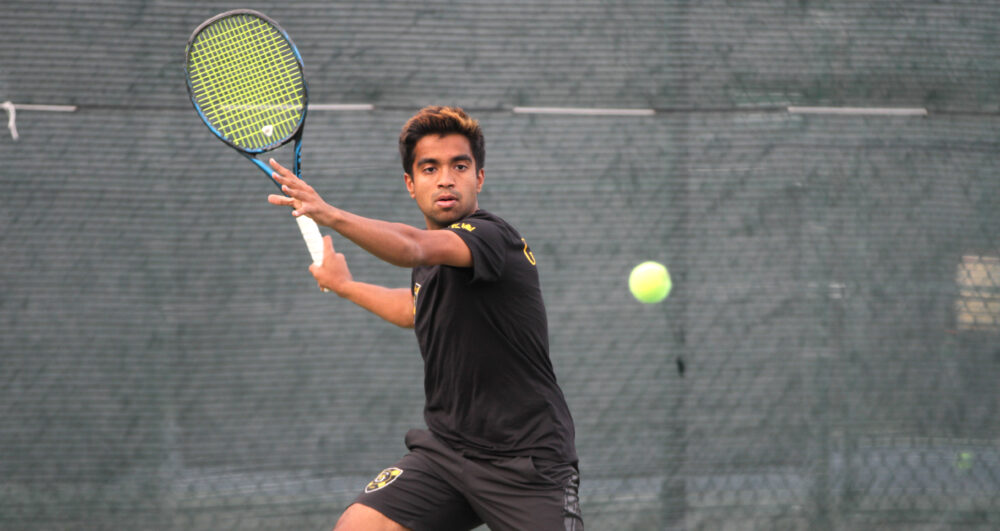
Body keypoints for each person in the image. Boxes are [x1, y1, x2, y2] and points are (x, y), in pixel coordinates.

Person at [267, 106, 582, 531]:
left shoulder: (491, 238)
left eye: (460, 165)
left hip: (524, 461)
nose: (446, 178)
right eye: (430, 168)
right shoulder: (433, 259)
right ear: (410, 184)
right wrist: (346, 285)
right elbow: (417, 309)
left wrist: (328, 213)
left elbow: (413, 247)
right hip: (447, 453)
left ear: (480, 178)